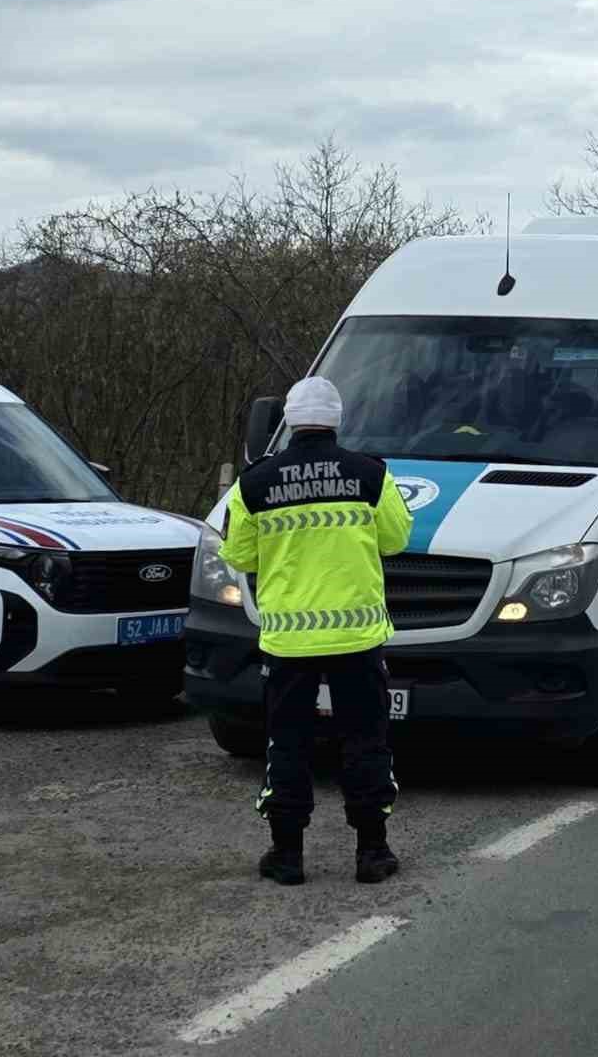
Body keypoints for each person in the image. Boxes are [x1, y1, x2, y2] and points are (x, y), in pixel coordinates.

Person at [219, 376, 414, 886]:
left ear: (290, 420)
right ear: (337, 420)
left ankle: (287, 857)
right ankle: (372, 853)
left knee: (287, 743)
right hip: (358, 637)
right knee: (366, 741)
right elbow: (396, 540)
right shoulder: (370, 475)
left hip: (288, 639)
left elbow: (238, 555)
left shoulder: (254, 483)